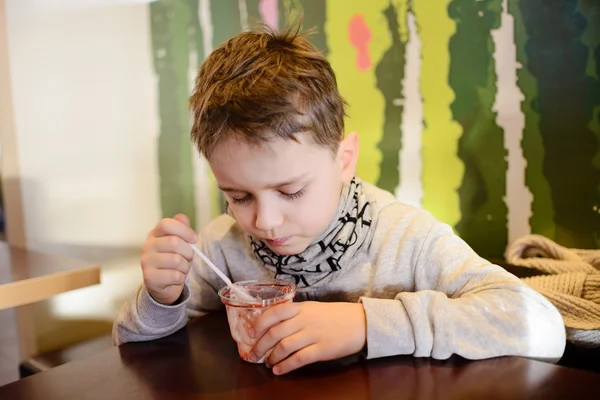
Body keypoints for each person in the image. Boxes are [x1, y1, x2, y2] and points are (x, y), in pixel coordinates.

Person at [113, 21, 566, 376]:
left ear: (345, 158)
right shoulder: (221, 247)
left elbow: (542, 326)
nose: (266, 221)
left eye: (291, 190)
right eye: (237, 196)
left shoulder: (406, 239)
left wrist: (367, 325)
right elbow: (133, 348)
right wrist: (161, 297)